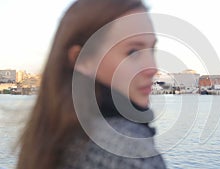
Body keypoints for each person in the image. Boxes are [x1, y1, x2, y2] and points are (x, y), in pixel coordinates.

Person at [16, 0, 166, 168]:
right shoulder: (131, 153)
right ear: (82, 59)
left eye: (151, 50)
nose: (153, 68)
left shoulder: (53, 134)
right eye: (133, 52)